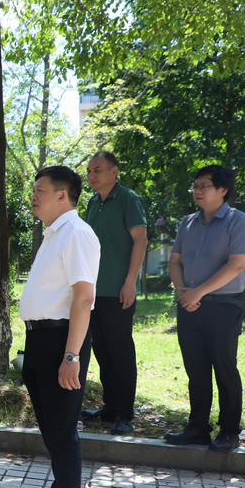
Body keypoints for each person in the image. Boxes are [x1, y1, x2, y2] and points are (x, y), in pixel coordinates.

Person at [17, 166, 99, 488]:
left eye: (40, 190)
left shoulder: (78, 234)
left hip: (61, 343)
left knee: (64, 435)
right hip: (40, 340)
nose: (33, 196)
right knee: (52, 432)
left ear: (63, 195)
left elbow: (84, 298)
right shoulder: (55, 234)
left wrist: (72, 355)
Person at [165, 165, 245, 453]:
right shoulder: (188, 223)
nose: (197, 191)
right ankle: (197, 428)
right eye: (195, 186)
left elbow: (237, 264)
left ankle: (229, 431)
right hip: (189, 306)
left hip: (223, 307)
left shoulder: (238, 221)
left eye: (204, 185)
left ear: (222, 190)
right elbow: (175, 261)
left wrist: (198, 292)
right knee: (197, 369)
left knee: (224, 368)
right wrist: (183, 292)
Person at [80, 151, 147, 436]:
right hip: (93, 292)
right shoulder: (93, 203)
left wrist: (130, 280)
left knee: (120, 350)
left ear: (114, 171)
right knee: (102, 349)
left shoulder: (128, 199)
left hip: (119, 290)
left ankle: (125, 413)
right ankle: (110, 407)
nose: (91, 175)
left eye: (97, 170)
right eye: (89, 171)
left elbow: (141, 239)